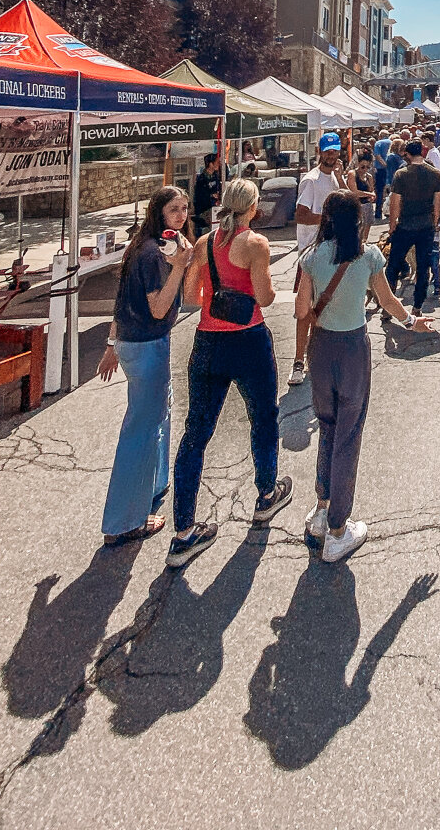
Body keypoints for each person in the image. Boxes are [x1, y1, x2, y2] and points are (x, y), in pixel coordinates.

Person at [297, 192, 432, 563]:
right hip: (353, 348)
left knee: (327, 427)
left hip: (321, 346)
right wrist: (411, 322)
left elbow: (300, 310)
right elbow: (387, 299)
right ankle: (339, 529)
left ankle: (322, 508)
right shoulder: (369, 255)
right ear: (357, 220)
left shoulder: (310, 257)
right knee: (348, 435)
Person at [171, 177, 290, 568]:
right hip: (248, 339)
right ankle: (266, 493)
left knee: (196, 433)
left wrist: (217, 296)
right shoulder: (255, 244)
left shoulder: (205, 243)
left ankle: (184, 531)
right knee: (263, 418)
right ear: (252, 208)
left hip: (208, 340)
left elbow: (190, 298)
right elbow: (266, 296)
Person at [98, 187, 194, 545]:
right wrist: (179, 269)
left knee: (157, 415)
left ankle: (154, 483)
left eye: (184, 209)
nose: (181, 215)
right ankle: (124, 521)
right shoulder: (153, 255)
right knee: (140, 429)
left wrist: (111, 343)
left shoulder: (145, 246)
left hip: (135, 342)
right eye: (173, 210)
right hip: (147, 344)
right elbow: (158, 307)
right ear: (158, 212)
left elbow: (123, 301)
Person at [291, 136, 347, 387]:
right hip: (311, 254)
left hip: (330, 251)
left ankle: (316, 356)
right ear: (319, 152)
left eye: (335, 151)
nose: (332, 156)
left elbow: (345, 199)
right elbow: (301, 215)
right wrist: (329, 220)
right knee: (304, 310)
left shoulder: (333, 176)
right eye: (328, 152)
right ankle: (298, 362)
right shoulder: (311, 181)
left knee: (324, 307)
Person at [385, 140, 440, 317]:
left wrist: (392, 224)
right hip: (425, 224)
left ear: (407, 155)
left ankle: (388, 305)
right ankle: (417, 306)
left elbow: (395, 202)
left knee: (394, 265)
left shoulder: (401, 174)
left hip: (405, 224)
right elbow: (437, 203)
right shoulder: (434, 174)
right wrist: (434, 222)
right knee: (423, 266)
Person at [192, 153, 222, 237]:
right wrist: (211, 195)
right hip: (204, 209)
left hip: (214, 207)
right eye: (217, 162)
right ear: (210, 164)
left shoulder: (216, 176)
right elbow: (200, 196)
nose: (218, 164)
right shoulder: (202, 179)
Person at [372, 133, 390, 222]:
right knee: (390, 190)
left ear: (380, 136)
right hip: (390, 169)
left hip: (380, 170)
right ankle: (390, 211)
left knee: (379, 191)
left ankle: (378, 213)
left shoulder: (378, 143)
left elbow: (377, 156)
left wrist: (384, 164)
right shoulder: (392, 141)